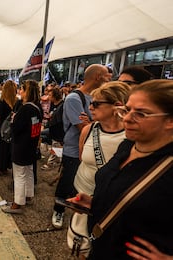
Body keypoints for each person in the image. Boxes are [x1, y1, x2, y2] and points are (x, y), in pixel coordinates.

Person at [67, 79, 173, 259]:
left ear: (169, 120)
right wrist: (95, 203)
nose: (127, 118)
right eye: (126, 110)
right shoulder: (128, 145)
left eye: (141, 114)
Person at [68, 81, 130, 258]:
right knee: (80, 238)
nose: (90, 107)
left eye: (96, 104)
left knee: (103, 241)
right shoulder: (88, 129)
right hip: (81, 190)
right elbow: (82, 158)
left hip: (109, 200)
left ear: (116, 105)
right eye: (90, 103)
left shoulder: (130, 135)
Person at [52, 64, 109, 229]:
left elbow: (96, 125)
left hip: (95, 149)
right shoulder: (74, 98)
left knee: (87, 184)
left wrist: (92, 122)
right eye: (107, 76)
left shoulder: (97, 96)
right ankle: (59, 210)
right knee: (67, 181)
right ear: (97, 76)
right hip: (74, 149)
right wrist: (98, 122)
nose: (109, 79)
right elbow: (83, 128)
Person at [2, 80, 42, 214]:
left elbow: (16, 128)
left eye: (22, 90)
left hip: (21, 145)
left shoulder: (25, 109)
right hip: (31, 145)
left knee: (19, 175)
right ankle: (28, 195)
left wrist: (14, 120)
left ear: (27, 92)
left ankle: (17, 203)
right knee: (29, 171)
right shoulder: (37, 107)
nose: (20, 92)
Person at [0, 80, 17, 177]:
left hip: (2, 127)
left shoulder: (2, 101)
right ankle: (5, 167)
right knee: (7, 148)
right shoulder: (16, 101)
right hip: (11, 127)